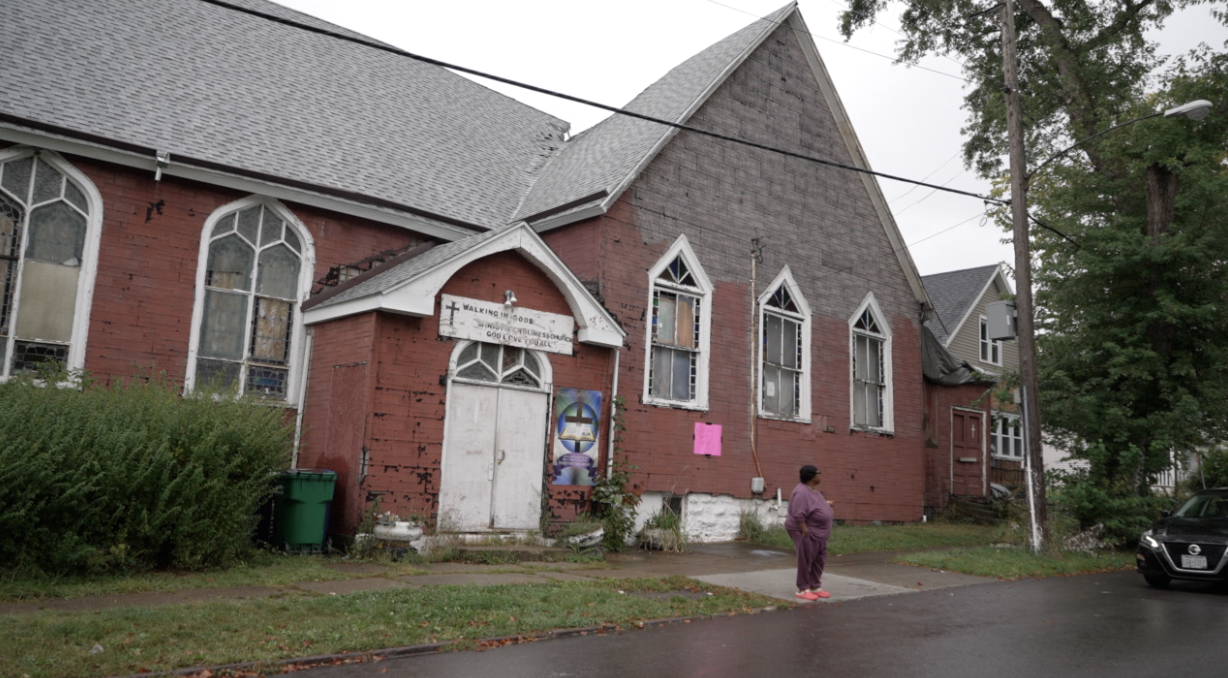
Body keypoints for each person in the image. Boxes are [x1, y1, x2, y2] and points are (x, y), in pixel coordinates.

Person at [784, 464, 833, 600]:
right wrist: (804, 529)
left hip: (820, 533)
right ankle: (803, 589)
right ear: (812, 476)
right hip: (805, 531)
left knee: (819, 559)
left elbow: (813, 507)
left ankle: (815, 586)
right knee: (806, 559)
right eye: (819, 473)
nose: (820, 475)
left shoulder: (812, 490)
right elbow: (798, 513)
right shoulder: (801, 491)